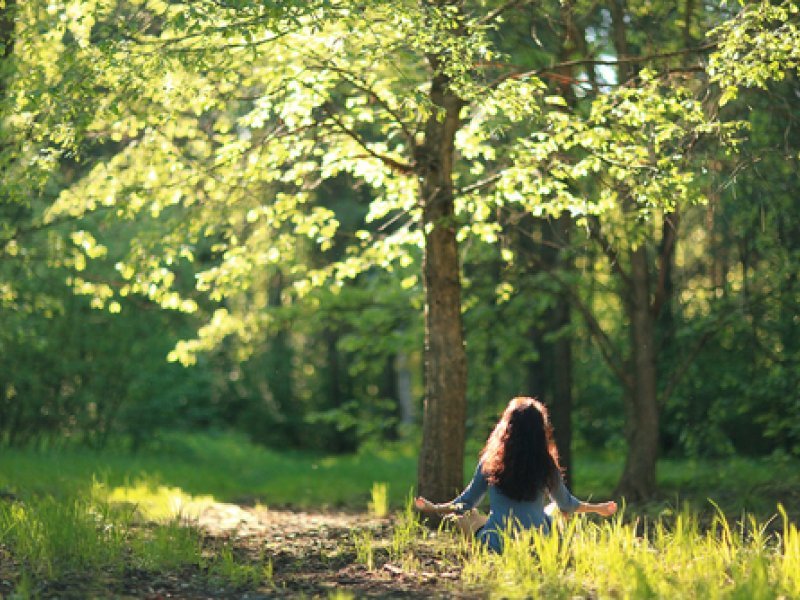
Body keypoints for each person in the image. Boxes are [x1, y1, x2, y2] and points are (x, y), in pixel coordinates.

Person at [415, 397, 617, 553]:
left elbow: (465, 503)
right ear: (540, 430)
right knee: (555, 508)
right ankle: (557, 550)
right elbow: (567, 504)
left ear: (506, 429)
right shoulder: (546, 464)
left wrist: (435, 508)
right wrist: (598, 508)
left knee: (469, 516)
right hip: (537, 544)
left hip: (497, 544)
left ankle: (480, 552)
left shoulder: (490, 462)